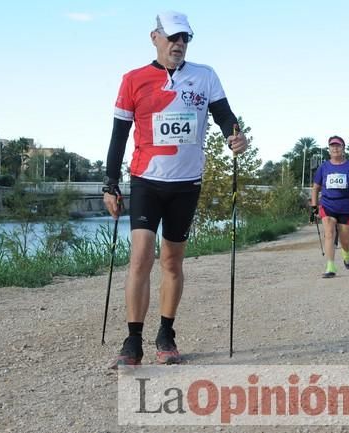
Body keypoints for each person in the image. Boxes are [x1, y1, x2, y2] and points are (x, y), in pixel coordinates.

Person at [102, 11, 248, 368]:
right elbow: (119, 135)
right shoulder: (133, 79)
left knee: (172, 260)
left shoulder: (204, 76)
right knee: (141, 256)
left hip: (186, 183)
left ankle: (166, 333)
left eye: (185, 39)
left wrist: (234, 133)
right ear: (155, 37)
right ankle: (132, 339)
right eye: (173, 38)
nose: (179, 44)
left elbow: (224, 114)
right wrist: (110, 183)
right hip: (146, 180)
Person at [310, 136, 349, 278]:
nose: (335, 148)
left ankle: (346, 253)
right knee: (328, 233)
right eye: (332, 146)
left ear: (343, 149)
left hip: (346, 206)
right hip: (328, 204)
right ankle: (330, 266)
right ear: (329, 150)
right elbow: (315, 188)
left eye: (338, 146)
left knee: (345, 240)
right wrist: (314, 206)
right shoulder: (323, 167)